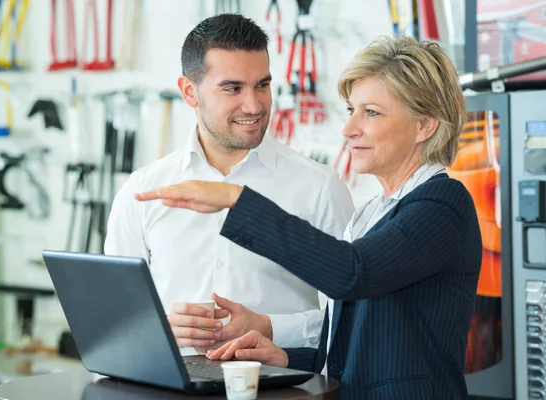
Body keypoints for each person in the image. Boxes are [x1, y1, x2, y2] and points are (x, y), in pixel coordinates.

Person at [135, 35, 482, 399]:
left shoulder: (443, 203)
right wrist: (286, 355)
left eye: (372, 112)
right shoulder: (373, 213)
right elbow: (357, 340)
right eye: (351, 111)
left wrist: (236, 199)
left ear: (424, 124)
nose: (349, 129)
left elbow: (352, 272)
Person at [104, 13, 355, 355]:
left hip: (281, 390)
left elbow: (351, 317)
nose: (254, 105)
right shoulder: (142, 192)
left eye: (262, 85)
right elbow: (114, 318)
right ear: (189, 92)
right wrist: (158, 328)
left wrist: (270, 327)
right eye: (233, 88)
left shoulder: (320, 188)